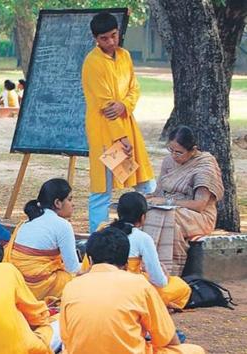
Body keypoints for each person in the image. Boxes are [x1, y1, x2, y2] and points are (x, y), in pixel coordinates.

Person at [60, 227, 204, 354]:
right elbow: (167, 339)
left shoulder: (71, 286)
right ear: (126, 263)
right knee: (195, 351)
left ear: (90, 260)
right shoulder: (139, 284)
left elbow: (66, 339)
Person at [81, 12, 155, 233]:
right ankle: (98, 238)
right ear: (96, 38)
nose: (111, 42)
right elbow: (106, 107)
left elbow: (135, 89)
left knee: (145, 182)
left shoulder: (125, 56)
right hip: (106, 134)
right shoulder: (93, 63)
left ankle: (147, 231)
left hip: (128, 129)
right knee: (102, 190)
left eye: (114, 35)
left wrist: (125, 105)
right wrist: (121, 139)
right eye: (104, 38)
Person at [144, 126, 224, 275]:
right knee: (143, 212)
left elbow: (199, 205)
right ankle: (147, 267)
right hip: (169, 209)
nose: (174, 155)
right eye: (171, 150)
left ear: (193, 150)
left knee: (163, 216)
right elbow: (158, 193)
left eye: (179, 152)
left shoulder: (205, 165)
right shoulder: (168, 160)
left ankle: (167, 271)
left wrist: (168, 203)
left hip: (198, 216)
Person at [109, 192, 192, 309]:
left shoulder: (102, 231)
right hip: (129, 290)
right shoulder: (142, 238)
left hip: (101, 286)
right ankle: (156, 305)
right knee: (181, 287)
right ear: (143, 217)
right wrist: (166, 276)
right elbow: (159, 281)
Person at [3, 178, 80, 302]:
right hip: (36, 286)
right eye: (70, 199)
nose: (73, 204)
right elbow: (73, 269)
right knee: (77, 283)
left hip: (16, 283)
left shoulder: (28, 221)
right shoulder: (62, 225)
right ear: (58, 203)